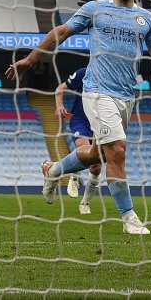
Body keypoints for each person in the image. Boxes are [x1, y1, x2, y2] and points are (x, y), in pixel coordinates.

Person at [7, 0, 151, 236]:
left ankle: (54, 170)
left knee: (98, 155)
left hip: (126, 95)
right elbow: (61, 31)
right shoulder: (95, 9)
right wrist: (30, 59)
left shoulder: (147, 19)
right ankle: (129, 217)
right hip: (96, 91)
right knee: (117, 151)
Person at [54, 66, 101, 215]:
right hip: (81, 120)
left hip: (101, 123)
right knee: (83, 147)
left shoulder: (114, 75)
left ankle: (85, 203)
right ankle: (74, 175)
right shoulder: (84, 72)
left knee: (96, 167)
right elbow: (60, 88)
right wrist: (60, 105)